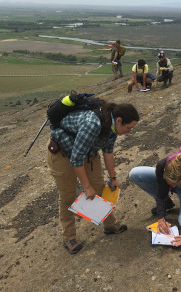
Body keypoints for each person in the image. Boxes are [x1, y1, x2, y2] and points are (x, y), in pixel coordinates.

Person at [48, 100, 139, 254]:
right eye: (129, 128)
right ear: (119, 120)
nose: (129, 132)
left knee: (99, 188)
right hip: (63, 154)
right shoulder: (93, 124)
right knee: (68, 196)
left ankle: (110, 225)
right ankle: (68, 237)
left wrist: (113, 177)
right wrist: (86, 187)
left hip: (87, 153)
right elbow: (76, 158)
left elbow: (108, 152)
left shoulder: (112, 128)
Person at [129, 150, 181, 251]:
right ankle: (167, 204)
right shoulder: (162, 165)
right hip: (175, 181)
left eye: (174, 184)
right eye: (168, 183)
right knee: (135, 173)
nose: (171, 187)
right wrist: (161, 216)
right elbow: (161, 191)